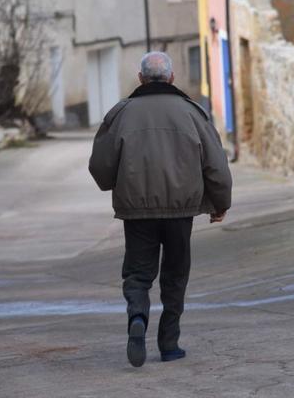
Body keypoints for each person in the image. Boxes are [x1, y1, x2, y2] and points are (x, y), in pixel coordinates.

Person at [89, 51, 233, 368]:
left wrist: (116, 183)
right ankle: (169, 344)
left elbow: (99, 166)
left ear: (141, 79)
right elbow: (216, 165)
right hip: (181, 211)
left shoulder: (121, 113)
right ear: (171, 78)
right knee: (175, 275)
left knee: (138, 274)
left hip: (137, 210)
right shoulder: (192, 113)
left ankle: (137, 316)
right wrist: (219, 202)